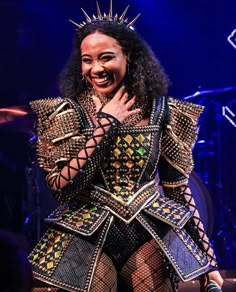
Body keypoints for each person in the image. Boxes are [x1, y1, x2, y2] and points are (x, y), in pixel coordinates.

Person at [28, 1, 223, 291]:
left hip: (148, 231)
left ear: (128, 56)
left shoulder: (162, 111)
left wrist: (210, 262)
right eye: (87, 60)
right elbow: (61, 187)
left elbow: (177, 189)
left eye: (106, 58)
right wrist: (106, 124)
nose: (96, 68)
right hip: (85, 234)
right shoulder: (68, 114)